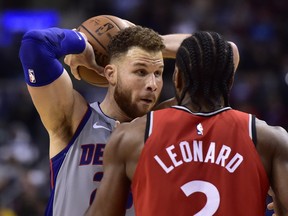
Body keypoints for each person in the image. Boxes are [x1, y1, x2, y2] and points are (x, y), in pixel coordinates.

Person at [85, 31, 288, 216]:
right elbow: (229, 50)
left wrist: (143, 43)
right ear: (230, 82)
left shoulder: (131, 137)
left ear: (177, 78)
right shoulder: (269, 139)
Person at [19, 23, 190, 216]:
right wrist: (82, 43)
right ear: (111, 73)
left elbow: (225, 54)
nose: (152, 84)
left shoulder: (164, 125)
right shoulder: (76, 119)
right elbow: (35, 46)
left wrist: (148, 42)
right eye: (140, 72)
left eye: (158, 73)